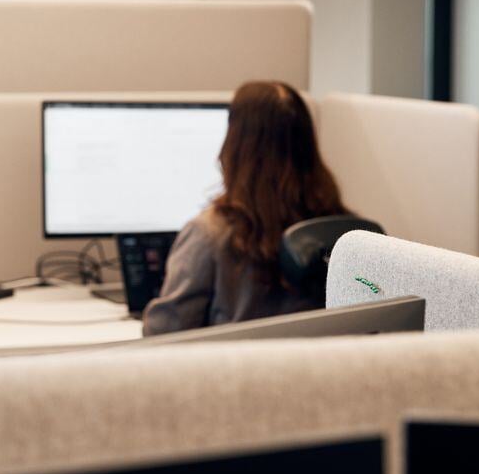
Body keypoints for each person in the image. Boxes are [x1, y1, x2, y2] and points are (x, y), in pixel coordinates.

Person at [142, 81, 347, 336]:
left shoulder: (209, 233)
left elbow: (163, 334)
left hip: (234, 374)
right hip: (318, 372)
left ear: (236, 145)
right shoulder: (343, 231)